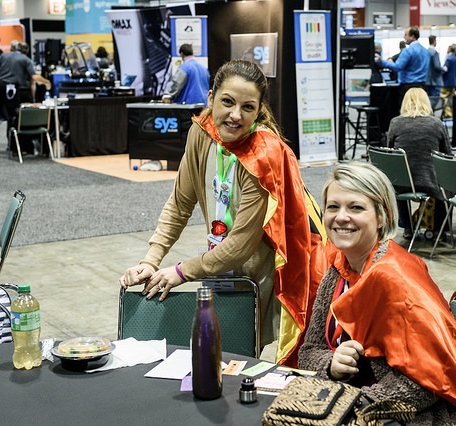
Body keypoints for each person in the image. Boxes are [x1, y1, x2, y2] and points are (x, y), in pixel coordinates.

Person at [120, 60, 326, 367]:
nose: (235, 115)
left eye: (247, 107)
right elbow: (179, 203)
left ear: (258, 111)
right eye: (227, 102)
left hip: (270, 267)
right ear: (211, 97)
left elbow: (241, 245)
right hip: (221, 262)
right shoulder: (201, 132)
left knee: (244, 355)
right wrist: (150, 260)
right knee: (220, 354)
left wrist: (179, 272)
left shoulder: (263, 154)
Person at [298, 162, 456, 424]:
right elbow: (308, 352)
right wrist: (331, 364)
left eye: (356, 207)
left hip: (415, 416)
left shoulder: (397, 279)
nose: (341, 217)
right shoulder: (337, 270)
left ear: (382, 217)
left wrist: (357, 404)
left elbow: (430, 381)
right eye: (333, 207)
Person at [386, 88, 451, 236]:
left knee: (398, 178)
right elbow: (447, 154)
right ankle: (439, 230)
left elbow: (389, 153)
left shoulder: (395, 123)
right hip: (430, 183)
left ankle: (408, 227)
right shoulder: (436, 123)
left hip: (402, 183)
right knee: (446, 186)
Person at [0, 42, 51, 157]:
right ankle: (14, 147)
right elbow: (34, 77)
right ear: (26, 51)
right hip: (11, 88)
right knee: (13, 117)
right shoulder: (26, 60)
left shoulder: (5, 55)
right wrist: (47, 82)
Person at [380, 27, 429, 106]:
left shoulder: (408, 51)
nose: (404, 37)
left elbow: (398, 67)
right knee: (420, 108)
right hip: (422, 86)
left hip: (408, 87)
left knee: (406, 109)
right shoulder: (425, 51)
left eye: (406, 35)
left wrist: (382, 62)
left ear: (412, 36)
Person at [440, 44, 456, 119]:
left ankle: (447, 113)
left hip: (446, 82)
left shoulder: (448, 59)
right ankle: (451, 112)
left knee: (444, 98)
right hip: (453, 81)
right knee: (451, 99)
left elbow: (445, 70)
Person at [425, 35, 443, 110]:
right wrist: (444, 69)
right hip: (435, 80)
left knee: (428, 99)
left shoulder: (426, 52)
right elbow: (437, 66)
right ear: (434, 41)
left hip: (427, 80)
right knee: (435, 99)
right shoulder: (434, 53)